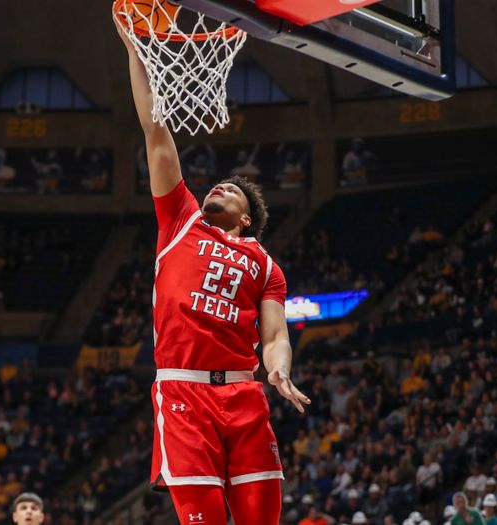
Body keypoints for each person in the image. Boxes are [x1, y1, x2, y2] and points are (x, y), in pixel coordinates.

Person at [116, 14, 310, 525]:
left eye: (232, 188)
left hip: (245, 394)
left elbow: (274, 335)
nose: (218, 186)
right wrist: (137, 51)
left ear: (247, 218)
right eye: (216, 185)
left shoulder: (265, 263)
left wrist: (279, 368)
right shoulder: (180, 220)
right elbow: (155, 131)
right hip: (184, 391)